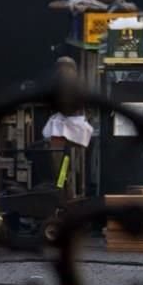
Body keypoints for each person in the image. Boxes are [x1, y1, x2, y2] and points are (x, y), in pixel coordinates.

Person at [43, 56, 92, 201]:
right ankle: (64, 188)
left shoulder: (77, 86)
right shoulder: (59, 85)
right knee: (63, 166)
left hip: (73, 130)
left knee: (67, 165)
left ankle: (67, 188)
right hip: (66, 130)